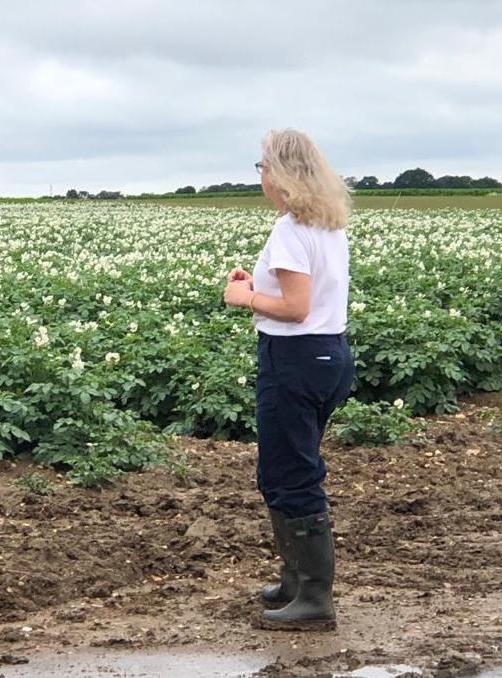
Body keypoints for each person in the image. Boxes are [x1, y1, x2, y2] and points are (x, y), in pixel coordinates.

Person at [223, 129, 354, 631]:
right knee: (289, 466)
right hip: (329, 354)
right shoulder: (326, 225)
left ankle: (314, 598)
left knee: (289, 473)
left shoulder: (290, 230)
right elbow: (311, 297)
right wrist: (260, 284)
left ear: (280, 174)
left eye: (261, 167)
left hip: (295, 358)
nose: (259, 176)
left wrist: (246, 298)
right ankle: (296, 581)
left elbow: (296, 309)